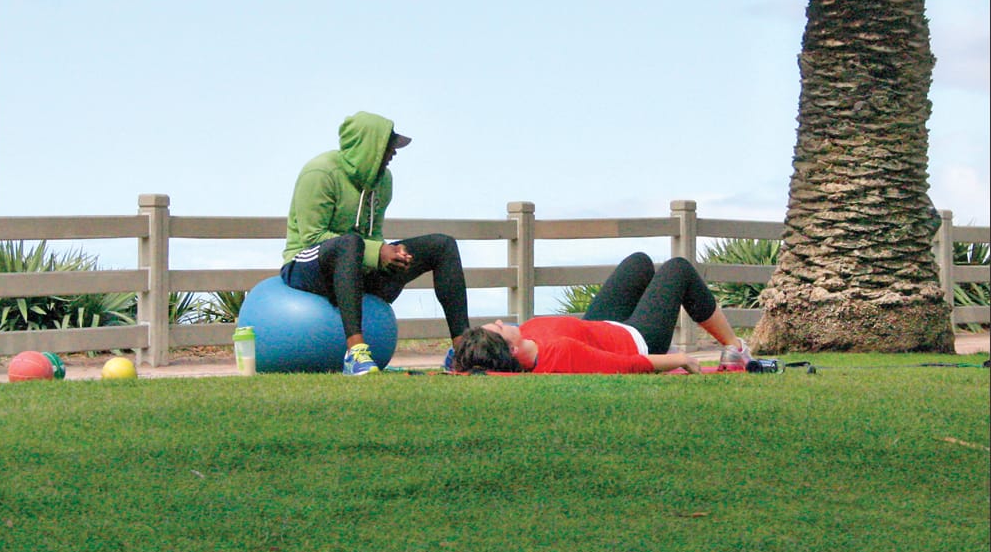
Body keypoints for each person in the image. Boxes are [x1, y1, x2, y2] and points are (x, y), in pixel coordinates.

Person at [281, 110, 470, 375]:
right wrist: (376, 251)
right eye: (388, 147)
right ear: (368, 147)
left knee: (442, 245)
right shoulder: (320, 173)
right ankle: (355, 353)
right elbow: (312, 237)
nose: (393, 153)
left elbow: (373, 236)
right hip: (305, 265)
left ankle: (463, 354)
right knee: (351, 244)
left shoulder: (383, 181)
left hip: (355, 266)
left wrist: (392, 254)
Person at [451, 252, 752, 374]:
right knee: (679, 269)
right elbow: (627, 364)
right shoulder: (560, 354)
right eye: (500, 327)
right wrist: (682, 359)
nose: (503, 321)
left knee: (639, 262)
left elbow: (470, 363)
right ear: (512, 348)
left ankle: (734, 348)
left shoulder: (522, 342)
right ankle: (735, 350)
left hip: (602, 327)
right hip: (638, 339)